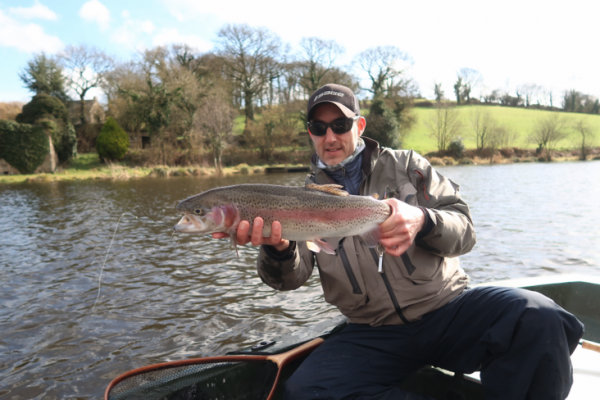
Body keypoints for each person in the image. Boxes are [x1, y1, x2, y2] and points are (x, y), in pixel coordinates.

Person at [212, 84, 584, 400]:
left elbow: (465, 231)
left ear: (359, 125)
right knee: (306, 392)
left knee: (539, 317)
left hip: (448, 310)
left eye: (340, 124)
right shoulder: (298, 199)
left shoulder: (408, 166)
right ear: (310, 132)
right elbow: (289, 280)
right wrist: (277, 249)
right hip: (371, 332)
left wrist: (422, 220)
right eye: (318, 126)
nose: (330, 136)